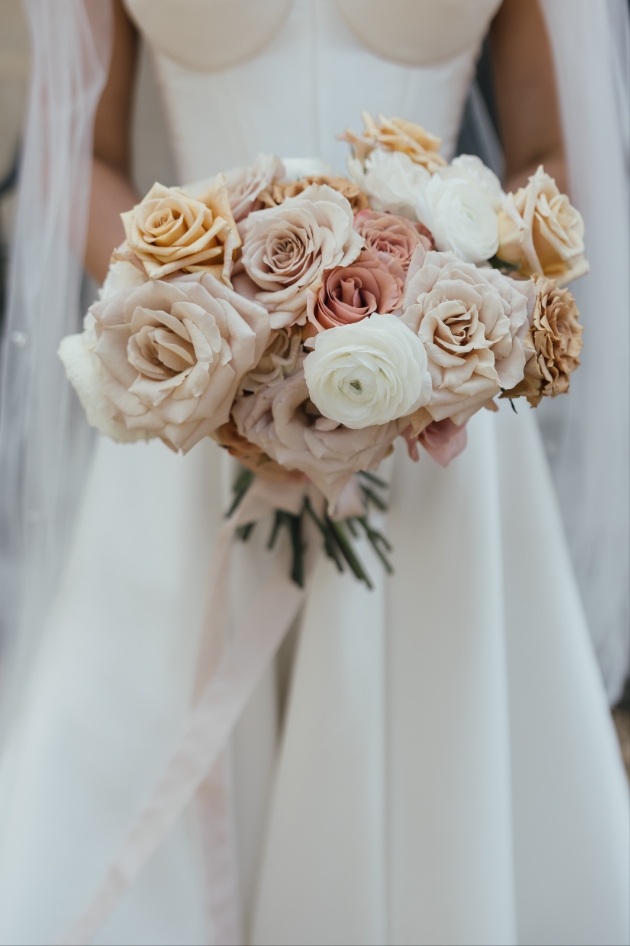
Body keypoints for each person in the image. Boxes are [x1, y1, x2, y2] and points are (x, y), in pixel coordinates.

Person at [0, 2, 627, 944]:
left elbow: (560, 155)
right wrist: (211, 335)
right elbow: (73, 152)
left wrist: (440, 308)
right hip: (194, 410)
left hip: (440, 421)